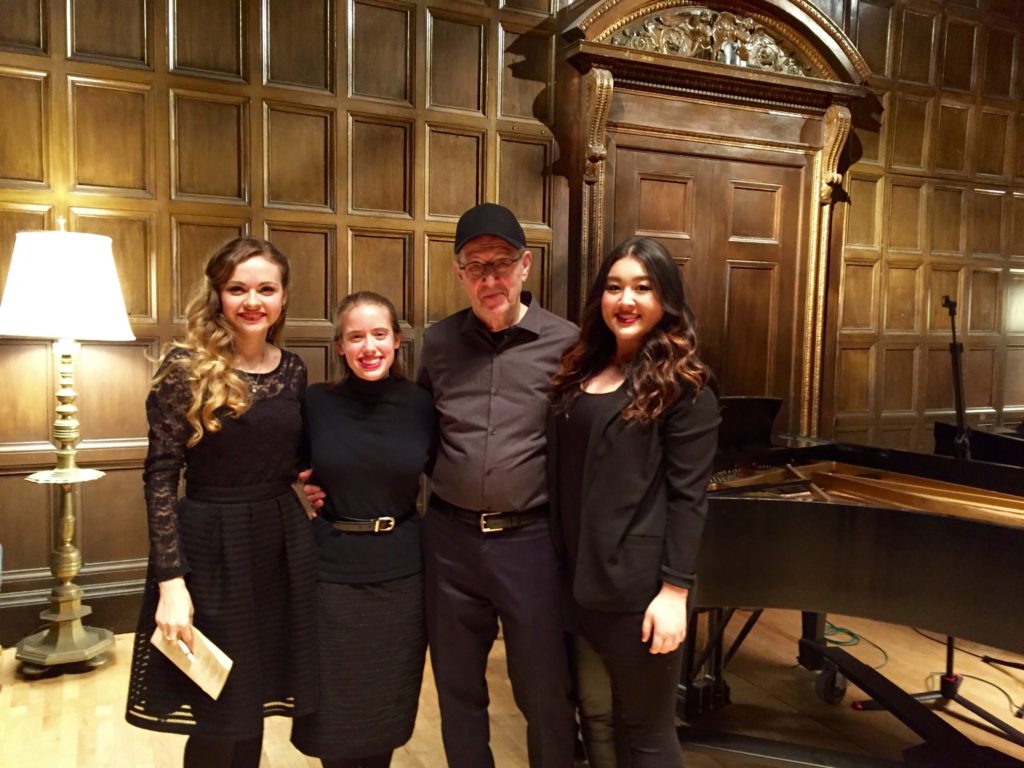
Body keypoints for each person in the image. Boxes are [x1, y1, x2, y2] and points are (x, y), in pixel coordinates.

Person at [304, 204, 579, 766]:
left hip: (529, 542)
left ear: (526, 266)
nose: (489, 278)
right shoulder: (440, 342)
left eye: (501, 263)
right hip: (449, 542)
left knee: (545, 692)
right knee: (457, 690)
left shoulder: (567, 343)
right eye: (475, 266)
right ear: (459, 273)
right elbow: (411, 428)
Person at [125, 237, 318, 768]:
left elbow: (294, 458)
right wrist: (171, 583)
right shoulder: (184, 368)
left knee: (251, 704)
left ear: (282, 298)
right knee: (219, 708)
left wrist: (318, 481)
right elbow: (161, 476)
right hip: (211, 550)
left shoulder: (294, 369)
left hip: (280, 544)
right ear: (217, 295)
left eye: (265, 289)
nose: (252, 301)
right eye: (237, 289)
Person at [547, 236, 720, 768]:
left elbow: (689, 499)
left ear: (665, 299)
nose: (626, 300)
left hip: (639, 592)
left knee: (646, 730)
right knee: (596, 718)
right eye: (615, 287)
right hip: (576, 578)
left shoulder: (686, 389)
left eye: (643, 288)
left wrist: (674, 592)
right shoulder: (581, 373)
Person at [291, 291, 436, 768]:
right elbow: (283, 467)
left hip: (401, 576)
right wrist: (300, 492)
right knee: (335, 717)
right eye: (356, 336)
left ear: (397, 341)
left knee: (384, 714)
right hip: (331, 575)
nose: (369, 346)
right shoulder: (316, 402)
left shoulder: (420, 404)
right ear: (339, 346)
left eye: (379, 334)